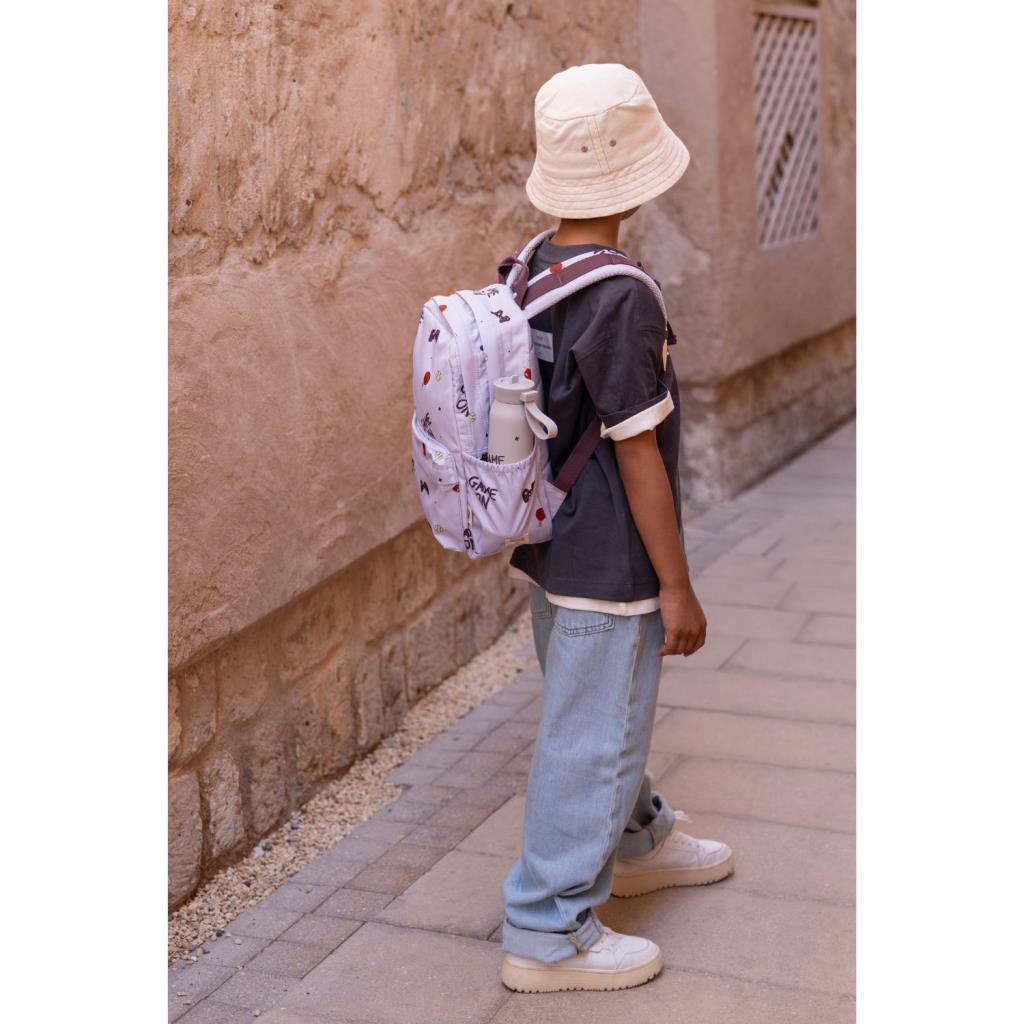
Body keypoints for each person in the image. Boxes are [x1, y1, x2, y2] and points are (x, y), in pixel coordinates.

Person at [499, 62, 735, 994]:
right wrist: (676, 585)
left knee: (595, 711)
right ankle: (547, 931)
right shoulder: (623, 294)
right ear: (633, 179)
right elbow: (639, 456)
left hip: (554, 540)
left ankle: (635, 839)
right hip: (611, 560)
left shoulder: (534, 266)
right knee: (591, 735)